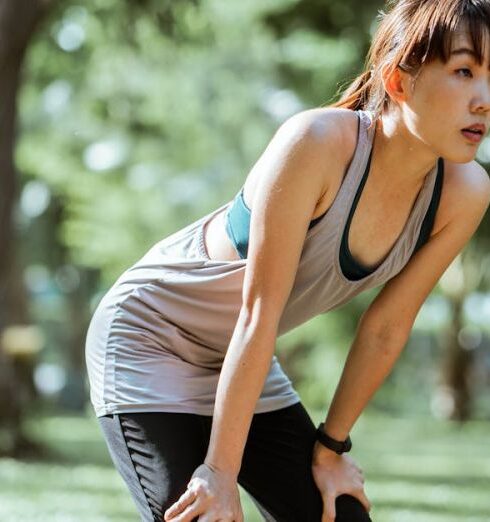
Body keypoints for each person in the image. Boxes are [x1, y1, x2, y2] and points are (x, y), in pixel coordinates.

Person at [85, 0, 490, 520]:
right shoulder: (317, 144)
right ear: (398, 82)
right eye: (463, 71)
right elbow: (259, 313)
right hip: (149, 339)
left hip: (241, 359)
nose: (483, 99)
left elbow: (387, 328)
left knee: (339, 514)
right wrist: (219, 472)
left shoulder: (464, 192)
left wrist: (331, 450)